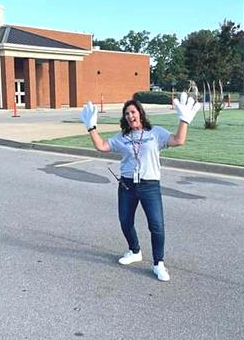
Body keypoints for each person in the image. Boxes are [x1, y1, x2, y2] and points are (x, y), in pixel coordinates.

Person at [80, 92, 200, 282]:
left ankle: (158, 263)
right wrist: (91, 127)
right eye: (127, 114)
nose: (130, 116)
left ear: (140, 114)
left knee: (156, 225)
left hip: (150, 186)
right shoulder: (122, 137)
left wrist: (184, 120)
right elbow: (102, 146)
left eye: (133, 112)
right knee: (125, 222)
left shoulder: (156, 134)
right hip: (127, 185)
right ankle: (134, 251)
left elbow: (178, 140)